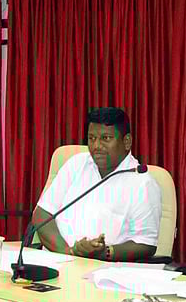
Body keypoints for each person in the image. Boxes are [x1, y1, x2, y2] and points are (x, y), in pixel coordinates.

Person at [34, 107, 161, 261]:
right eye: (92, 138)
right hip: (55, 260)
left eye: (105, 138)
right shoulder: (76, 164)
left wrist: (105, 252)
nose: (96, 146)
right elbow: (42, 214)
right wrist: (68, 252)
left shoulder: (143, 184)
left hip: (103, 269)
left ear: (127, 141)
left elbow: (146, 244)